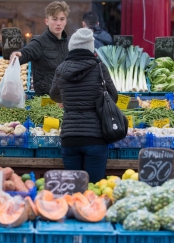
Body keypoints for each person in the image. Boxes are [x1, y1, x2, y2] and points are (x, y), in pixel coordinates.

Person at [49, 28, 118, 183]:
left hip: (70, 137)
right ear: (91, 47)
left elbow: (53, 95)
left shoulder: (61, 68)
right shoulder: (100, 68)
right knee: (94, 189)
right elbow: (113, 96)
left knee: (74, 189)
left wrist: (68, 98)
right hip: (95, 138)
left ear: (71, 46)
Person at [10, 1, 70, 96]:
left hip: (66, 97)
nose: (58, 23)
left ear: (65, 21)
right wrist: (18, 55)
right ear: (46, 21)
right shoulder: (39, 42)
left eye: (62, 19)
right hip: (46, 99)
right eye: (54, 19)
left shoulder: (70, 43)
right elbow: (26, 52)